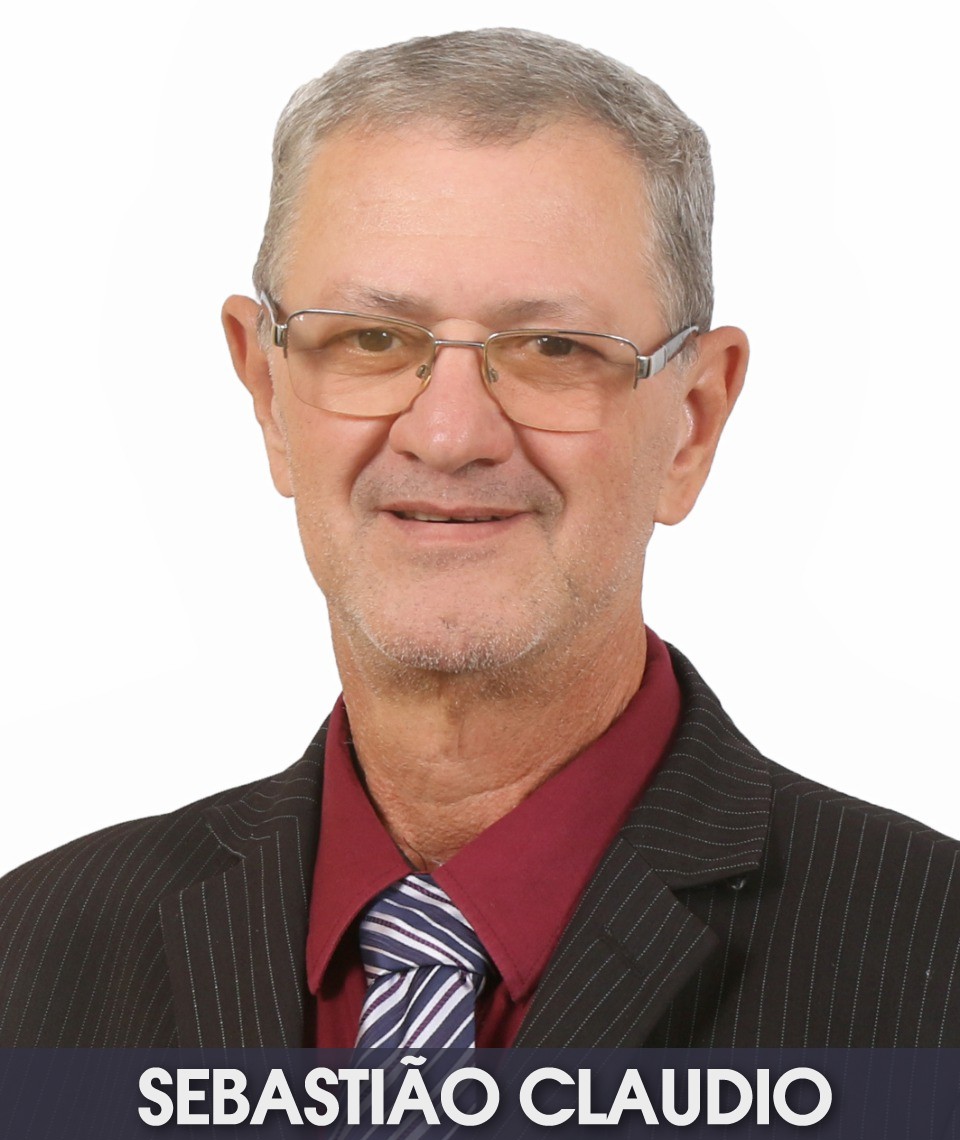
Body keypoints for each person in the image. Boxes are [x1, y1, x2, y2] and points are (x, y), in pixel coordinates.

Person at [1, 27, 957, 1050]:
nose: (449, 435)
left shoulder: (931, 968)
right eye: (373, 338)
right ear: (269, 396)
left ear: (693, 421)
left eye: (554, 347)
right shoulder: (33, 958)